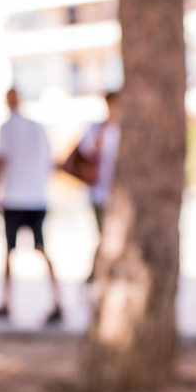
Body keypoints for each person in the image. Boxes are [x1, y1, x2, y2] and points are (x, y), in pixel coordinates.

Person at [0, 89, 63, 326]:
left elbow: (1, 160)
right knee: (39, 249)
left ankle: (9, 302)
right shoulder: (36, 128)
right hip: (36, 197)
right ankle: (56, 301)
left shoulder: (8, 128)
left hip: (16, 198)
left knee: (11, 252)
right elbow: (50, 162)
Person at [79, 91, 122, 283]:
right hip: (99, 192)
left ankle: (104, 272)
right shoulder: (98, 129)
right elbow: (85, 151)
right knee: (104, 234)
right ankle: (97, 273)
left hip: (120, 194)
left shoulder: (127, 130)